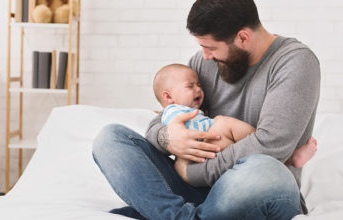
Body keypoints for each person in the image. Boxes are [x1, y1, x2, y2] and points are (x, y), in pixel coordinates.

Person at [92, 0, 320, 219]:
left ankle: (158, 212)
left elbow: (269, 147)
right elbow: (164, 117)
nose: (205, 56)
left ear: (242, 37)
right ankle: (182, 217)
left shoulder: (294, 62)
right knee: (110, 139)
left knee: (263, 167)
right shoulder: (205, 63)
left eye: (210, 48)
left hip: (258, 189)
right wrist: (169, 138)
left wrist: (187, 173)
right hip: (204, 190)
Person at [153, 63, 317, 178]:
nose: (198, 89)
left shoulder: (193, 111)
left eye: (199, 85)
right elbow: (165, 131)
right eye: (190, 86)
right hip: (196, 157)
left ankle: (275, 154)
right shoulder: (173, 112)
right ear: (168, 96)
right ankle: (284, 157)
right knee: (223, 123)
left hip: (210, 157)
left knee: (227, 136)